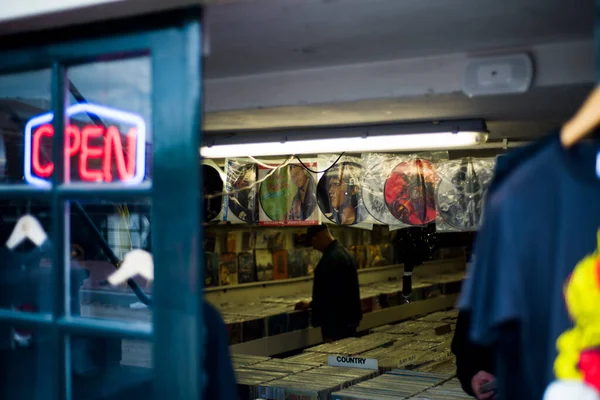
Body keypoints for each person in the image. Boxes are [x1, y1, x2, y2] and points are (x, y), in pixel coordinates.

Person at [296, 224, 362, 342]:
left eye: (313, 242)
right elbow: (338, 291)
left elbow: (327, 297)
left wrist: (317, 318)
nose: (314, 247)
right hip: (349, 320)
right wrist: (311, 304)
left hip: (334, 325)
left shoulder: (328, 261)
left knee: (334, 357)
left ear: (318, 237)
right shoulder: (345, 253)